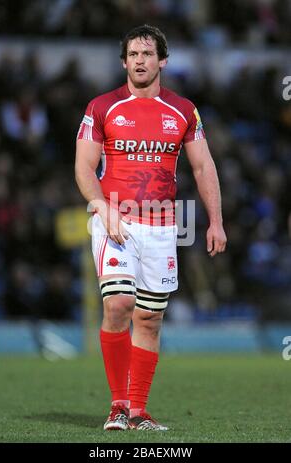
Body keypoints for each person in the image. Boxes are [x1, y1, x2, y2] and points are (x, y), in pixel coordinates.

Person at [75, 24, 227, 431]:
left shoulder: (183, 110)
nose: (140, 61)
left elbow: (202, 166)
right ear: (124, 62)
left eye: (147, 54)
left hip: (162, 226)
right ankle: (118, 406)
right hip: (115, 220)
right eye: (133, 54)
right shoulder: (102, 107)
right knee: (119, 305)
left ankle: (139, 412)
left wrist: (216, 221)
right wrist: (100, 206)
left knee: (150, 319)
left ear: (162, 60)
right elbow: (84, 166)